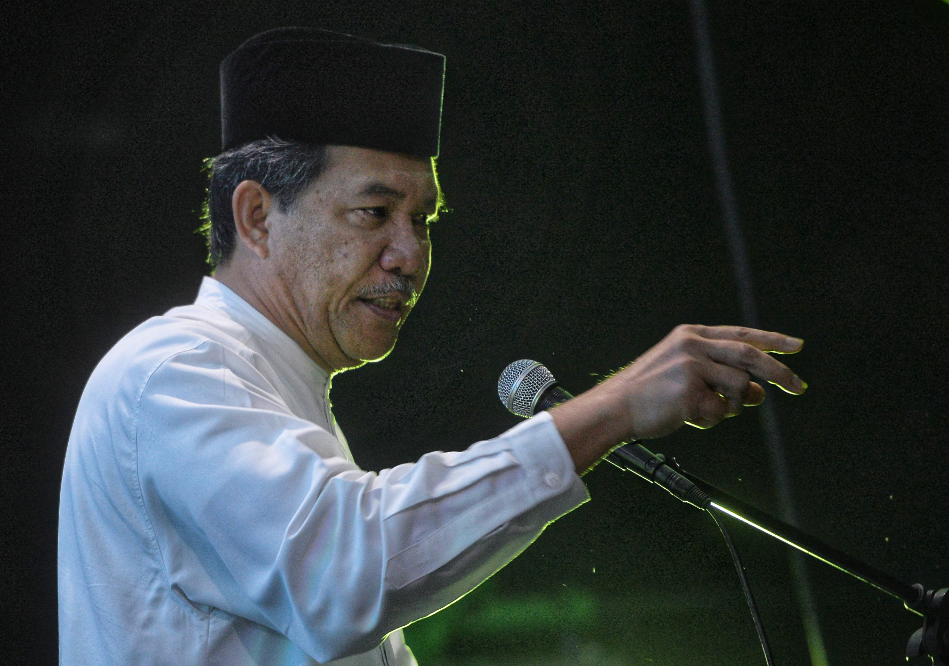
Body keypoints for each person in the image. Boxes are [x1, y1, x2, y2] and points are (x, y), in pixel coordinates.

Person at [57, 27, 806, 665]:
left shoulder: (273, 392)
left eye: (424, 222)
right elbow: (344, 572)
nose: (409, 255)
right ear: (256, 217)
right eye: (374, 211)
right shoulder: (176, 370)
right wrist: (611, 410)